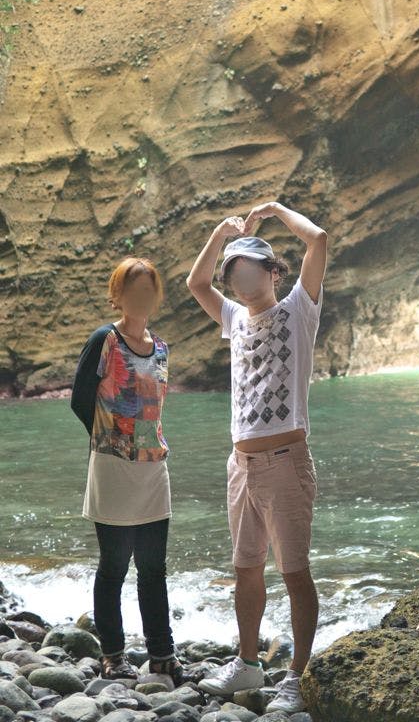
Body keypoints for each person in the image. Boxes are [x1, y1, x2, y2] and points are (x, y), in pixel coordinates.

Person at [186, 201, 327, 714]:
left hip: (286, 461)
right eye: (234, 272)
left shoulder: (298, 311)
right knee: (246, 568)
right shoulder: (233, 319)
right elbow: (196, 284)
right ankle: (248, 662)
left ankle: (297, 676)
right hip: (240, 466)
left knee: (294, 572)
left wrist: (273, 209)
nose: (239, 280)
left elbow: (319, 240)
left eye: (248, 269)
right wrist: (220, 233)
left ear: (273, 272)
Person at [71, 256, 185, 686]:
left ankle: (162, 655)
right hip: (113, 468)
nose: (141, 297)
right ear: (117, 295)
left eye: (148, 290)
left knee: (153, 568)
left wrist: (141, 445)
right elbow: (80, 399)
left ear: (156, 296)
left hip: (153, 469)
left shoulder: (162, 348)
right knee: (114, 566)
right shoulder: (105, 339)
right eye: (132, 290)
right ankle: (113, 655)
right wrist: (110, 442)